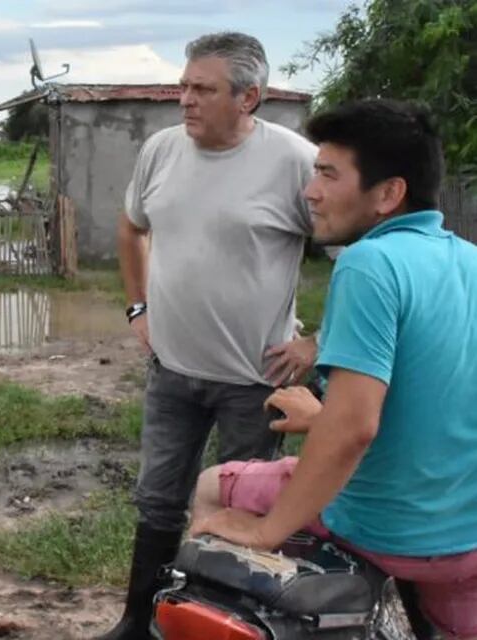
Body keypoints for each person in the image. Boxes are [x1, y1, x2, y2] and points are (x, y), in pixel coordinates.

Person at [191, 99, 477, 640]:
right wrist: (323, 415)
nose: (310, 191)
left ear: (388, 194)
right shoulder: (468, 260)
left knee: (213, 483)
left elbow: (354, 428)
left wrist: (267, 530)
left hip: (386, 530)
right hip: (466, 539)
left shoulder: (370, 264)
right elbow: (438, 399)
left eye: (327, 174)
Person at [102, 31, 319, 639]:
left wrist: (316, 343)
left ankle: (230, 627)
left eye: (203, 89)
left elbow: (359, 251)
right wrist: (137, 308)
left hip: (255, 381)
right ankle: (137, 621)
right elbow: (130, 229)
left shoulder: (296, 161)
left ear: (249, 97)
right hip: (171, 371)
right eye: (184, 87)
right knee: (158, 502)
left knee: (244, 508)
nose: (186, 100)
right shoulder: (162, 150)